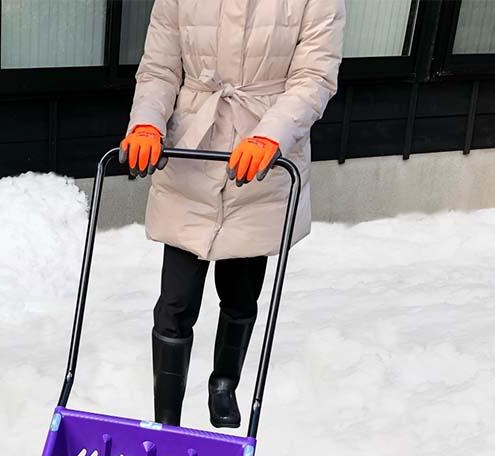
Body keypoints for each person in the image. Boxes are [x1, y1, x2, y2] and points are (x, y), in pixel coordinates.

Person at [120, 0, 345, 428]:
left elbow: (314, 78)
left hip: (260, 161)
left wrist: (270, 136)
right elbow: (160, 69)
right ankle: (166, 419)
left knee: (240, 296)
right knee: (175, 302)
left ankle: (223, 384)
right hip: (194, 149)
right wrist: (147, 122)